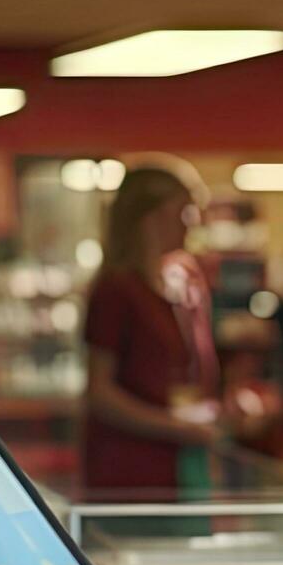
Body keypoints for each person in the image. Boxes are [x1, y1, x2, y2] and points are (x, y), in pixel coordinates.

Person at [82, 164, 221, 493]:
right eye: (182, 211)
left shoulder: (168, 286)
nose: (191, 223)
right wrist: (174, 426)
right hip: (130, 471)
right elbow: (99, 392)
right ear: (152, 217)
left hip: (171, 464)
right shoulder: (117, 290)